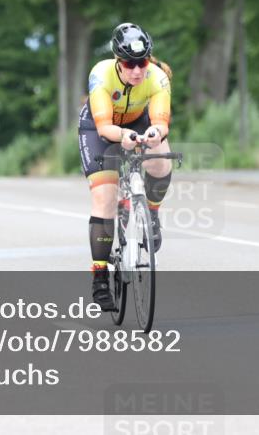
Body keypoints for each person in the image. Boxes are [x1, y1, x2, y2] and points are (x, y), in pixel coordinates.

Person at [78, 22, 174, 311]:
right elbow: (105, 127)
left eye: (142, 62)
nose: (136, 70)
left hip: (137, 121)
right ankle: (100, 278)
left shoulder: (157, 79)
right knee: (105, 201)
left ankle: (152, 214)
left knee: (161, 158)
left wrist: (156, 133)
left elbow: (159, 122)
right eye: (129, 64)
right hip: (100, 128)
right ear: (117, 61)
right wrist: (124, 137)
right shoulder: (101, 74)